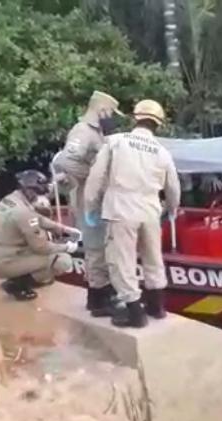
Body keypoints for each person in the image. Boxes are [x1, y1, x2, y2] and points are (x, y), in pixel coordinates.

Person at [84, 99, 181, 328]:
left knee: (122, 261)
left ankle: (134, 312)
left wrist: (91, 207)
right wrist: (172, 210)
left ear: (135, 118)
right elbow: (173, 188)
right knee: (153, 257)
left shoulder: (116, 142)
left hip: (121, 208)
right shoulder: (162, 152)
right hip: (150, 210)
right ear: (158, 124)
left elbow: (96, 178)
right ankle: (157, 307)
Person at [51, 91, 122, 314]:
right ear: (102, 110)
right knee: (95, 247)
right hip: (86, 198)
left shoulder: (98, 133)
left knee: (103, 245)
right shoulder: (83, 131)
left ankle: (104, 292)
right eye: (110, 112)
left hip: (98, 199)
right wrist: (92, 177)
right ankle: (98, 298)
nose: (112, 117)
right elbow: (65, 161)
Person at [0, 170, 81, 301]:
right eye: (39, 194)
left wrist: (63, 229)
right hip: (6, 262)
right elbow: (41, 247)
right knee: (62, 261)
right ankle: (18, 285)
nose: (40, 198)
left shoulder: (11, 199)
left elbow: (37, 218)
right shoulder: (23, 213)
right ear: (30, 191)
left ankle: (17, 278)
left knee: (39, 250)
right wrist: (67, 247)